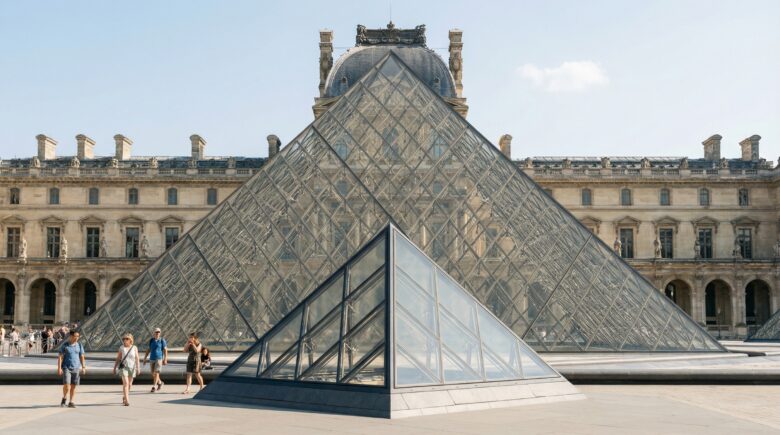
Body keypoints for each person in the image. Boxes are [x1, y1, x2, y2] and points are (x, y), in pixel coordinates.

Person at [57, 330, 86, 408]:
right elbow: (60, 357)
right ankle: (64, 398)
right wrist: (59, 368)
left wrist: (83, 367)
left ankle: (71, 401)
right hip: (66, 367)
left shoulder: (79, 345)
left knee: (73, 386)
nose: (76, 338)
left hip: (76, 368)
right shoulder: (65, 345)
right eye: (75, 336)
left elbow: (82, 356)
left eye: (78, 336)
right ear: (71, 336)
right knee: (67, 385)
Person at [112, 333, 140, 406]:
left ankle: (124, 396)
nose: (125, 340)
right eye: (124, 339)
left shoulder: (134, 348)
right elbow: (118, 358)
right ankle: (127, 400)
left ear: (130, 340)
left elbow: (137, 358)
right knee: (126, 384)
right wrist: (114, 368)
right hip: (124, 367)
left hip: (132, 367)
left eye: (126, 339)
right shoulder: (121, 348)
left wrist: (138, 368)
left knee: (130, 384)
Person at [143, 328, 168, 392]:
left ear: (160, 333)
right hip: (152, 358)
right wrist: (145, 358)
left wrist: (165, 358)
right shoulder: (151, 340)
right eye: (156, 332)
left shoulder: (162, 340)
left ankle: (154, 386)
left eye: (158, 332)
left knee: (157, 372)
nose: (157, 333)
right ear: (154, 333)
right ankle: (160, 382)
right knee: (152, 373)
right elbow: (148, 349)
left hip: (159, 358)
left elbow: (165, 350)